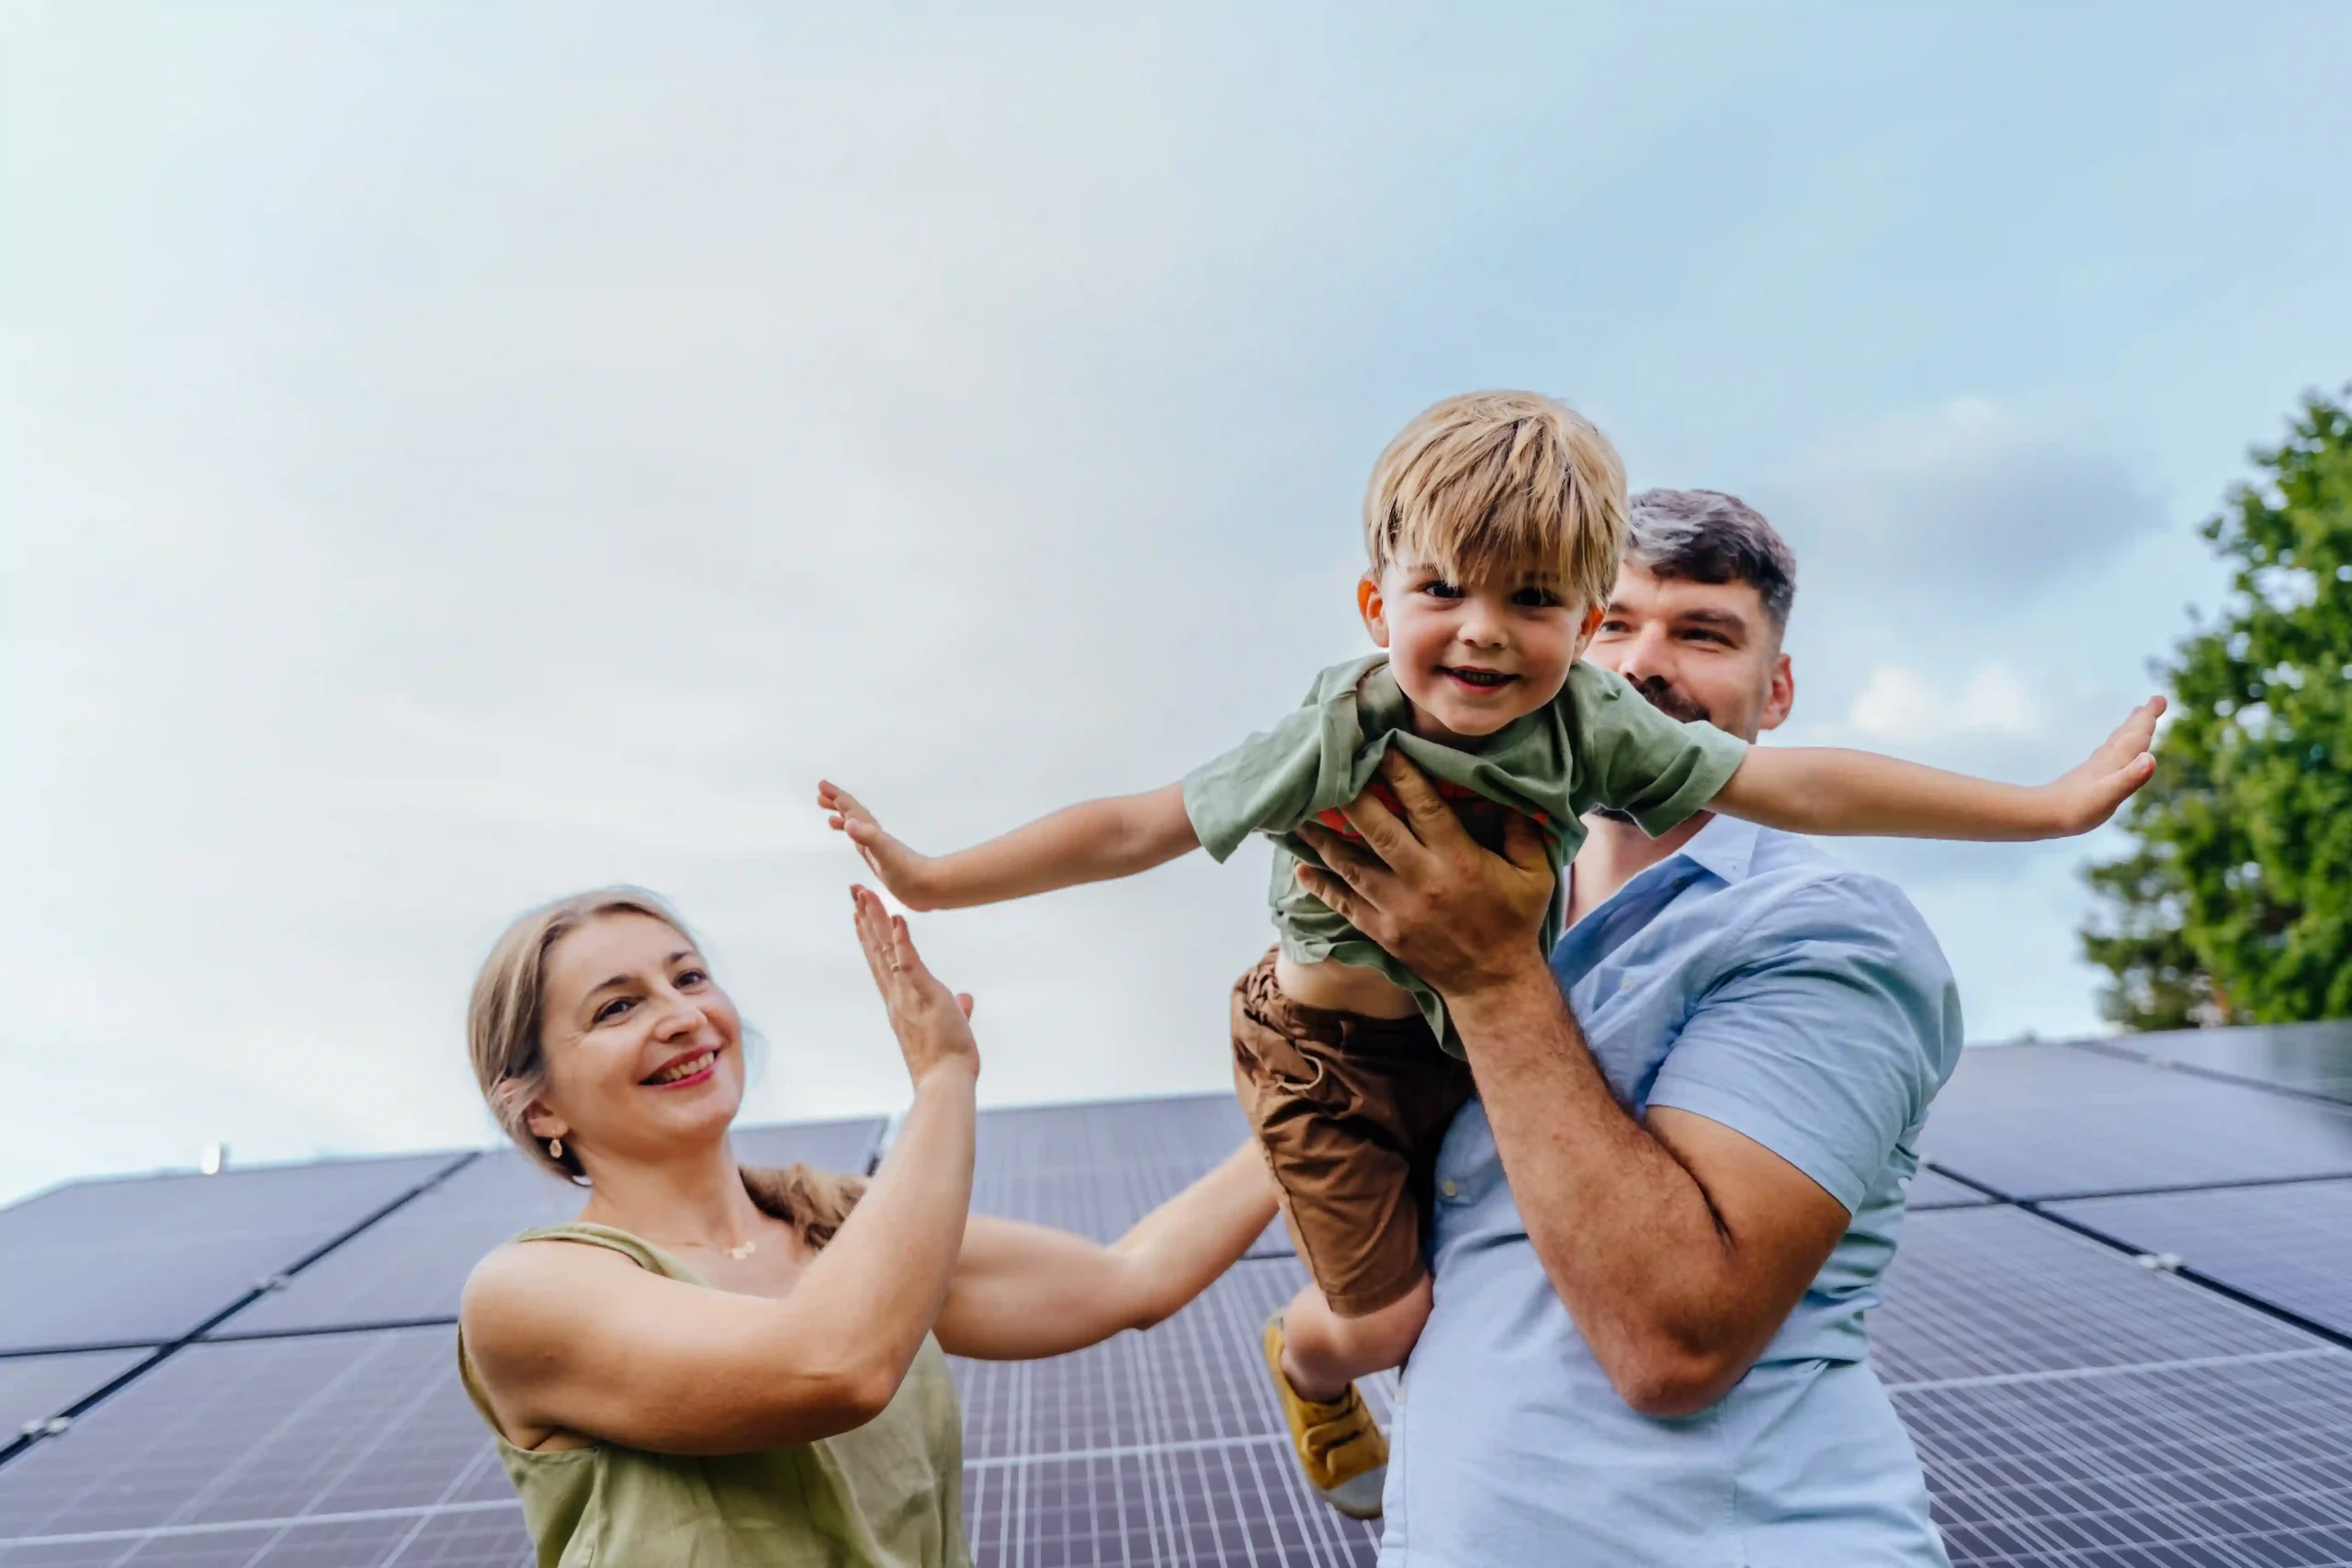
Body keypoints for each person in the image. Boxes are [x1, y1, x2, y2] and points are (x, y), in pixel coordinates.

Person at [815, 391, 2160, 1519]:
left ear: (1571, 620)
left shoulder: (1701, 837)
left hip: (1477, 1074)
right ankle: (1312, 1350)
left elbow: (1809, 790)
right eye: (1443, 588)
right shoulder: (1353, 729)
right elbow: (1139, 821)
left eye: (1537, 600)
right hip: (1330, 1051)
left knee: (1406, 1307)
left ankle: (1318, 1343)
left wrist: (2040, 807)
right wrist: (941, 874)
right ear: (1375, 600)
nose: (1484, 629)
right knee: (1384, 1316)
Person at [1290, 489, 1971, 1564]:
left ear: (1775, 689)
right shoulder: (1457, 915)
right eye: (1609, 622)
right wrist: (1306, 1343)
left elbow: (1676, 1340)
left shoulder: (1826, 932)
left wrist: (1490, 980)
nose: (1644, 664)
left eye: (1702, 633)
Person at [455, 884, 1277, 1568]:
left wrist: (1336, 1098)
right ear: (542, 1105)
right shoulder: (528, 1293)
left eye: (691, 978)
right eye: (619, 1006)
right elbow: (833, 1366)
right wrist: (945, 1077)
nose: (681, 1015)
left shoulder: (850, 1232)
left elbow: (1130, 1278)